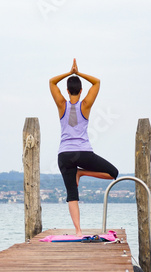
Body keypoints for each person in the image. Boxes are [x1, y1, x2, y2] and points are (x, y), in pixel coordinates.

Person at [49, 59, 118, 237]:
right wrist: (78, 73)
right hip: (82, 153)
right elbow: (97, 82)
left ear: (67, 90)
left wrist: (69, 73)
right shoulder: (85, 105)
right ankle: (82, 173)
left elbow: (51, 82)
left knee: (72, 194)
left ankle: (78, 230)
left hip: (64, 154)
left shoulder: (62, 105)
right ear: (80, 90)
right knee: (113, 173)